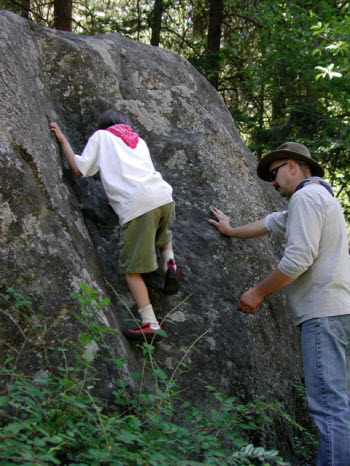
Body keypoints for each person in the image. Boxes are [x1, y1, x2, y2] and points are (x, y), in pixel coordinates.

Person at [209, 142, 350, 465]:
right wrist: (230, 230)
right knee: (340, 407)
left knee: (329, 411)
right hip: (341, 312)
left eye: (273, 174)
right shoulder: (321, 198)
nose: (272, 184)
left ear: (292, 166)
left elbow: (298, 259)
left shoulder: (306, 197)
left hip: (323, 315)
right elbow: (271, 223)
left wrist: (257, 292)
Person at [49, 109, 179, 342]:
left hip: (138, 206)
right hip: (164, 197)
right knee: (162, 232)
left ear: (104, 124)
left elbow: (80, 169)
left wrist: (63, 140)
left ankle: (150, 323)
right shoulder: (139, 140)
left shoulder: (101, 136)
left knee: (130, 269)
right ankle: (170, 262)